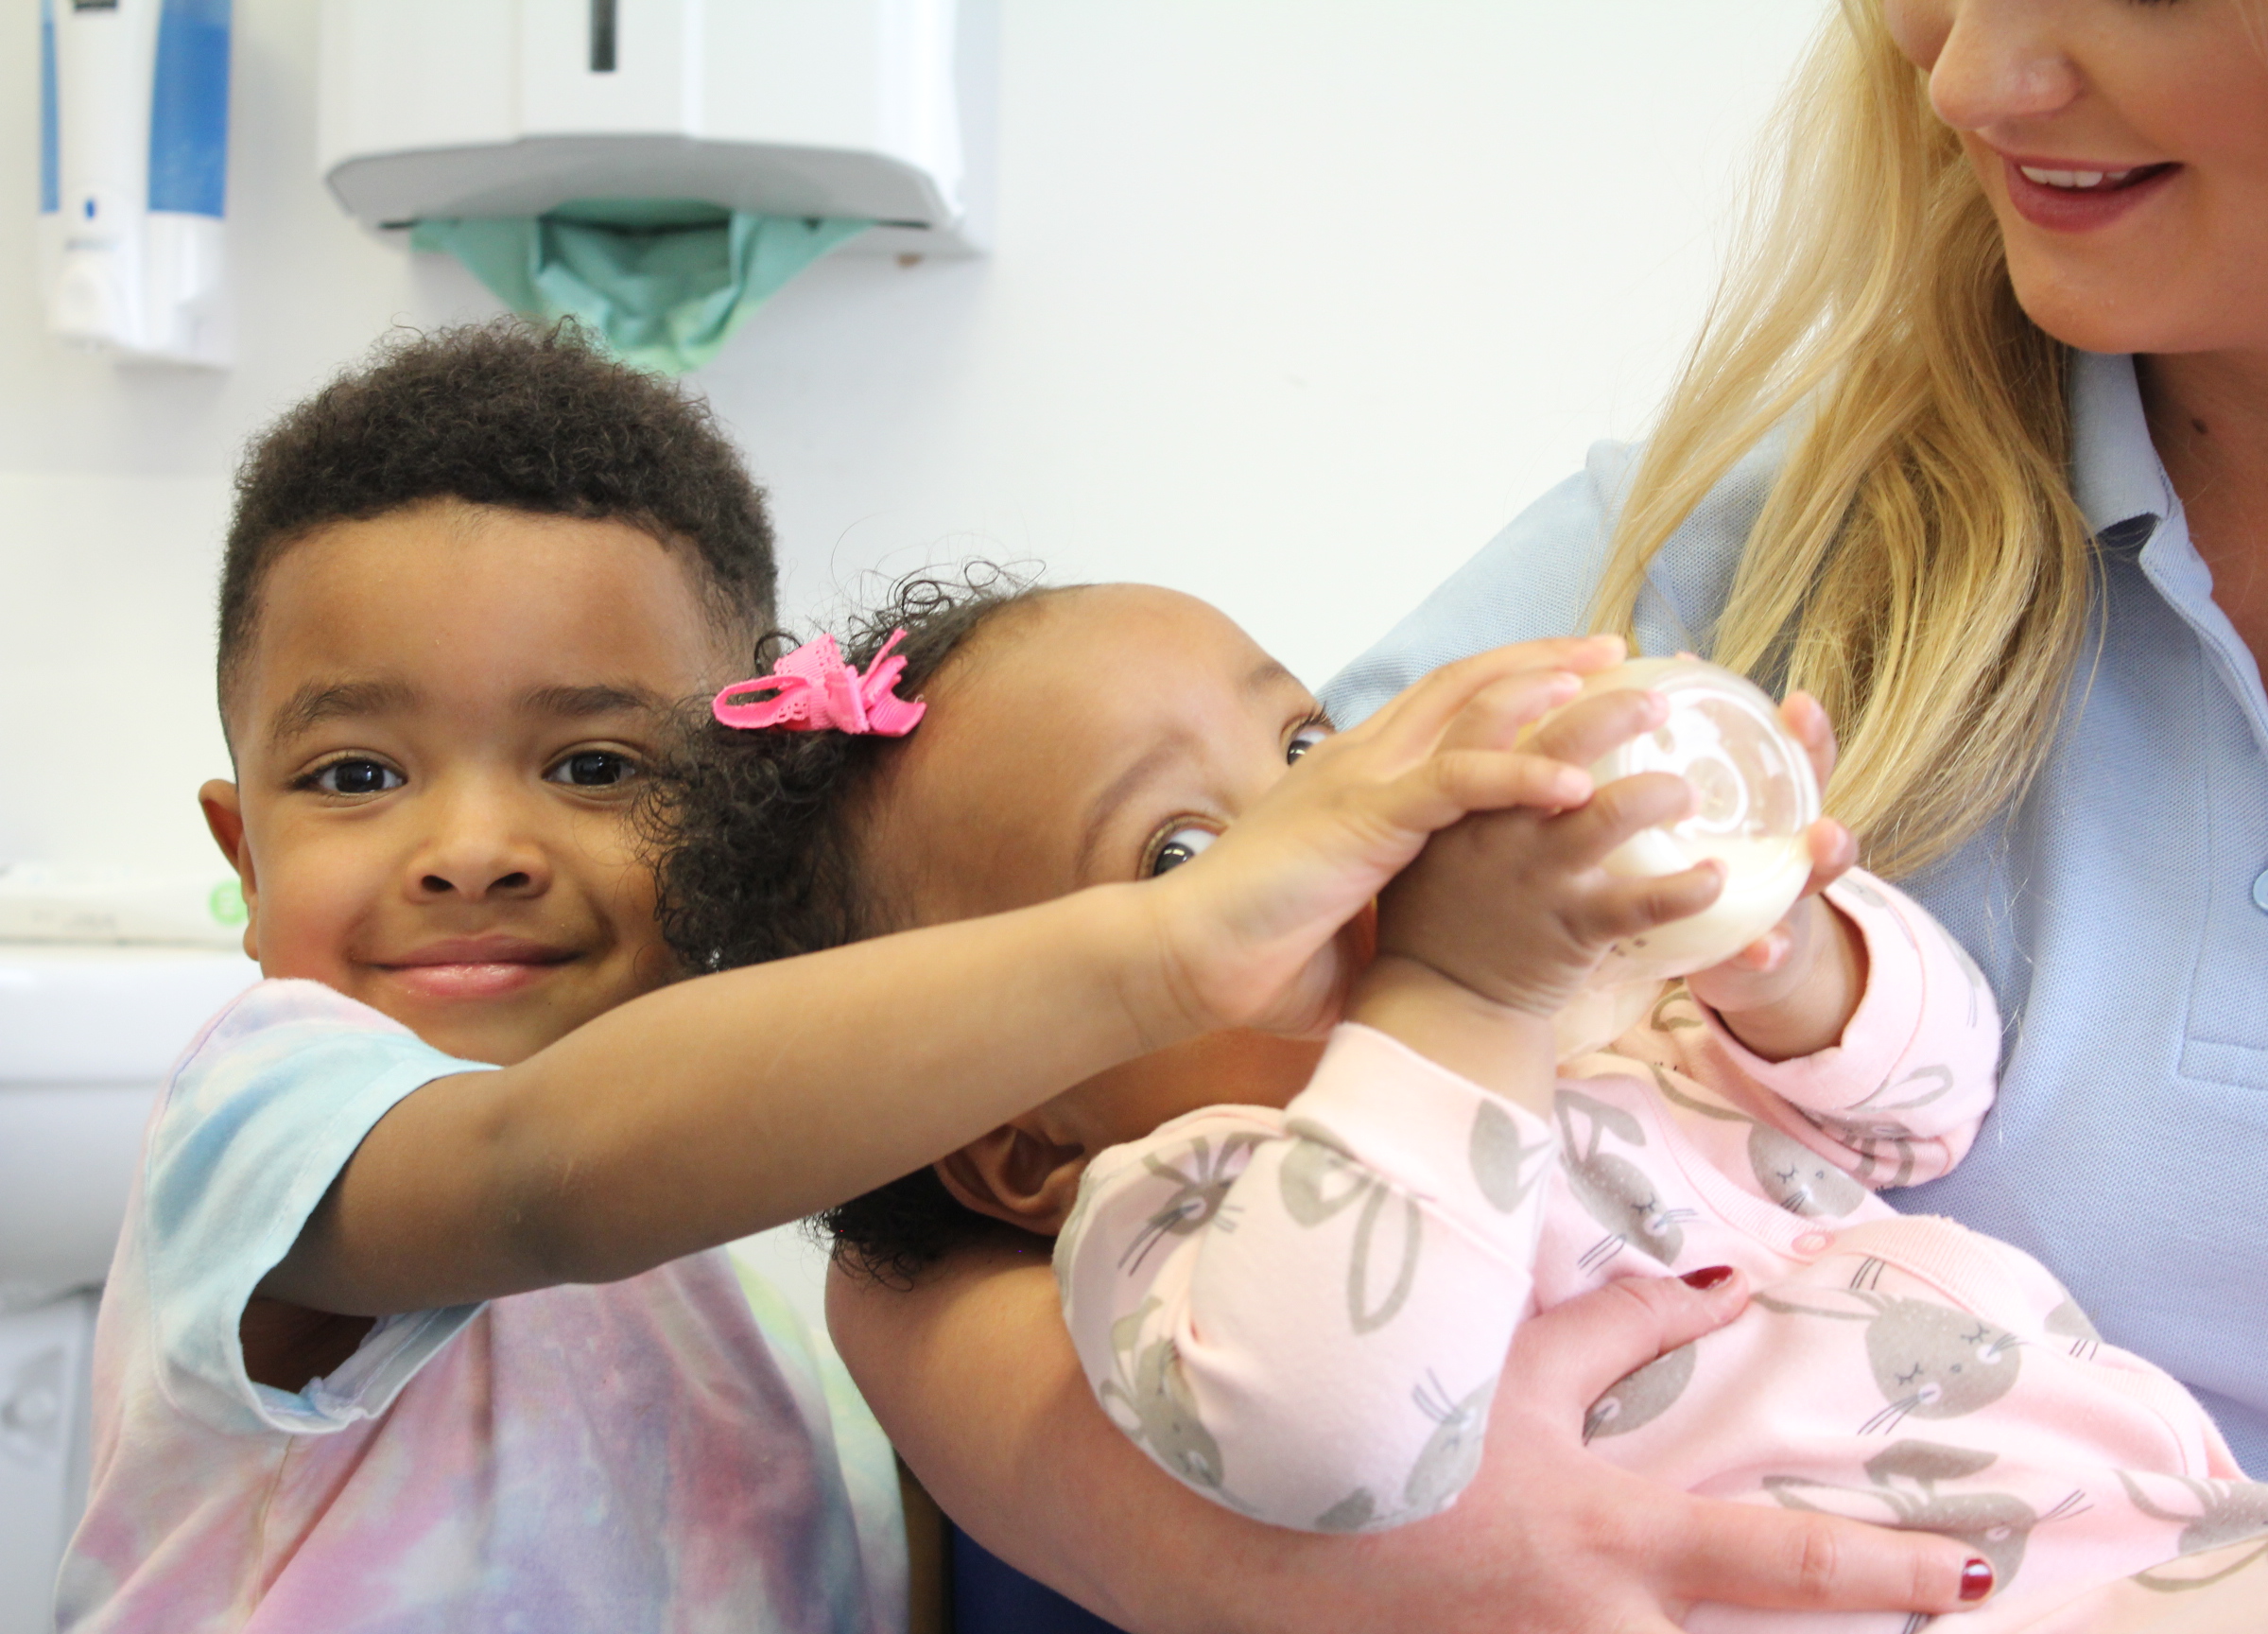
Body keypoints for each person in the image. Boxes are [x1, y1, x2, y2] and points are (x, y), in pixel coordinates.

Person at [826, 0, 2268, 1626]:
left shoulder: (1629, 1061)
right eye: (1181, 848)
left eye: (1317, 737)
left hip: (2208, 1555)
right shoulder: (1234, 1167)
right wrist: (1266, 1563)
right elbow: (896, 1203)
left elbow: (1928, 1101)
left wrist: (1795, 950)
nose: (1963, 78)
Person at [57, 324, 1618, 1633]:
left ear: (731, 831)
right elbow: (538, 1174)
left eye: (593, 763)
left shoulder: (807, 1269)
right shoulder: (261, 1112)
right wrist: (1178, 935)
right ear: (244, 856)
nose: (473, 847)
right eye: (353, 775)